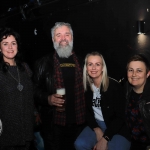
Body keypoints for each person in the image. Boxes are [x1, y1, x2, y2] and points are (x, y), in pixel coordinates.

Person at [33, 22, 86, 150]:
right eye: (58, 35)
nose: (63, 38)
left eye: (67, 34)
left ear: (72, 37)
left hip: (80, 123)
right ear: (53, 39)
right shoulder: (43, 63)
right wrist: (47, 98)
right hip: (53, 124)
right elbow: (33, 90)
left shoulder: (83, 61)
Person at [74, 51, 131, 150]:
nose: (94, 68)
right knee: (79, 144)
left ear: (103, 68)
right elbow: (86, 112)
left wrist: (106, 137)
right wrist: (96, 128)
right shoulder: (85, 88)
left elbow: (121, 117)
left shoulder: (114, 87)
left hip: (116, 126)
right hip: (96, 123)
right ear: (86, 68)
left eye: (97, 64)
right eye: (90, 64)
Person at [0, 27, 34, 150]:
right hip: (6, 134)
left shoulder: (25, 68)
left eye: (13, 43)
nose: (10, 47)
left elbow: (30, 96)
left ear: (17, 46)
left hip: (27, 130)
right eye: (5, 44)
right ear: (0, 48)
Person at [125, 54, 150, 150]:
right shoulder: (125, 90)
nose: (134, 74)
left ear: (147, 74)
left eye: (139, 70)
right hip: (132, 143)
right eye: (131, 70)